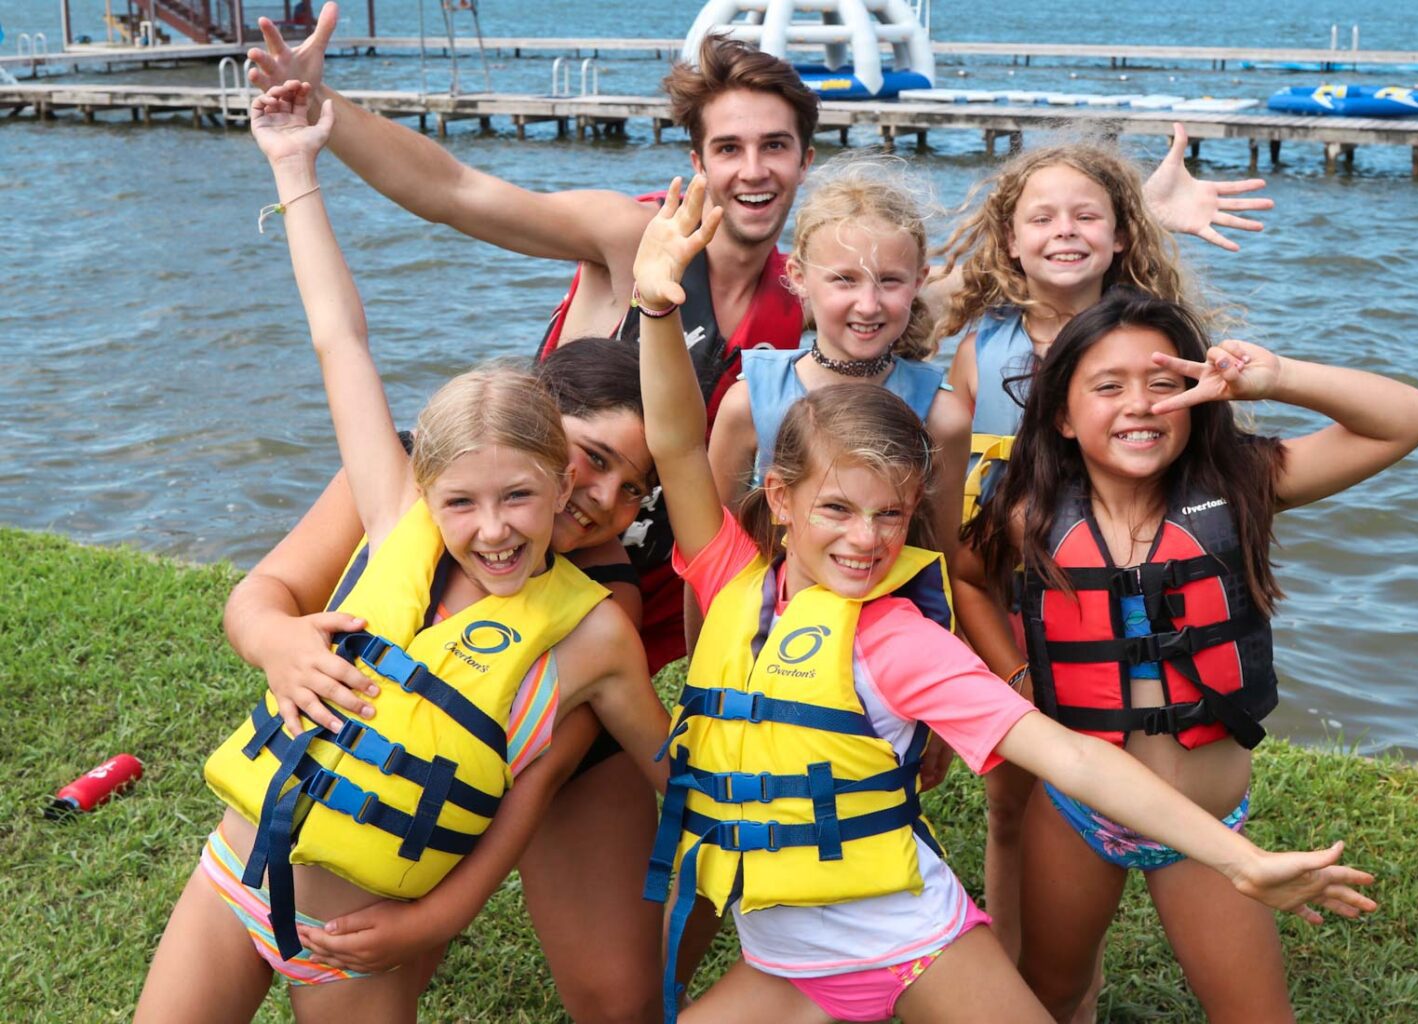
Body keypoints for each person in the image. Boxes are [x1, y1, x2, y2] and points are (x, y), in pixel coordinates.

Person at [245, 3, 1275, 672]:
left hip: (657, 563)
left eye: (774, 146)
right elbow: (460, 191)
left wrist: (1136, 203)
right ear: (694, 156)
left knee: (628, 753)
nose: (752, 169)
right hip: (537, 513)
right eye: (728, 146)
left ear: (802, 158)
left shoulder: (815, 298)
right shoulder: (628, 235)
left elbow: (958, 279)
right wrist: (322, 104)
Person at [632, 176, 1378, 1024]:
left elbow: (1076, 759)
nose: (863, 540)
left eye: (890, 516)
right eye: (836, 510)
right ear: (779, 498)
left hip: (914, 942)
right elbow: (673, 445)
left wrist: (1238, 861)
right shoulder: (732, 577)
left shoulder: (901, 638)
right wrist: (656, 309)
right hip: (786, 965)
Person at [134, 81, 670, 1022]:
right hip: (233, 872)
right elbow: (339, 338)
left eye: (527, 501)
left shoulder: (592, 636)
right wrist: (294, 166)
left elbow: (602, 789)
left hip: (364, 941)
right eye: (467, 501)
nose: (496, 528)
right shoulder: (397, 509)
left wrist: (440, 920)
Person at [963, 287, 1418, 1021]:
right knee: (1052, 994)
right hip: (1077, 817)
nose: (1141, 406)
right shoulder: (1027, 509)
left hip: (1209, 829)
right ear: (1061, 414)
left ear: (1198, 397)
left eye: (1164, 386)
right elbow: (968, 578)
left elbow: (1408, 421)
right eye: (1109, 386)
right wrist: (1015, 672)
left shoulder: (1244, 483)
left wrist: (1276, 377)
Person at [934, 141, 1198, 969]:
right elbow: (889, 292)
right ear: (1007, 240)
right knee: (1012, 798)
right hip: (1001, 596)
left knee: (1107, 783)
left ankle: (1070, 974)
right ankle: (1016, 976)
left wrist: (1147, 212)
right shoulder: (980, 344)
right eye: (1040, 218)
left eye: (1089, 216)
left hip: (1108, 603)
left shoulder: (1151, 337)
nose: (1064, 233)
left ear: (1123, 234)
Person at [708, 155, 970, 560]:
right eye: (844, 280)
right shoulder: (749, 403)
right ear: (798, 277)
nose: (868, 305)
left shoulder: (942, 417)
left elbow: (944, 559)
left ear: (919, 280)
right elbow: (712, 553)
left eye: (889, 281)